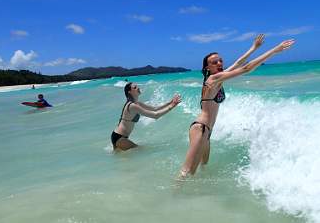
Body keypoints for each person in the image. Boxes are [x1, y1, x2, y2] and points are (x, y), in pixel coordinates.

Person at [179, 35, 295, 177]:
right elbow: (246, 68)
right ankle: (174, 196)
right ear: (207, 67)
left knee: (203, 168)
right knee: (187, 172)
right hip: (200, 128)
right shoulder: (213, 79)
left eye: (220, 60)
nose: (219, 63)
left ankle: (196, 197)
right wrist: (274, 50)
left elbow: (239, 63)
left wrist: (253, 48)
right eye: (214, 62)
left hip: (207, 131)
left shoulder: (219, 77)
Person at [111, 82, 181, 151]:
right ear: (129, 92)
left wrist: (170, 102)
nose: (138, 88)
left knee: (122, 158)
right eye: (135, 87)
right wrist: (172, 106)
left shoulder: (137, 103)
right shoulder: (132, 106)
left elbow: (155, 108)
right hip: (119, 138)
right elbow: (155, 115)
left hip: (118, 136)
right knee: (140, 150)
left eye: (137, 86)